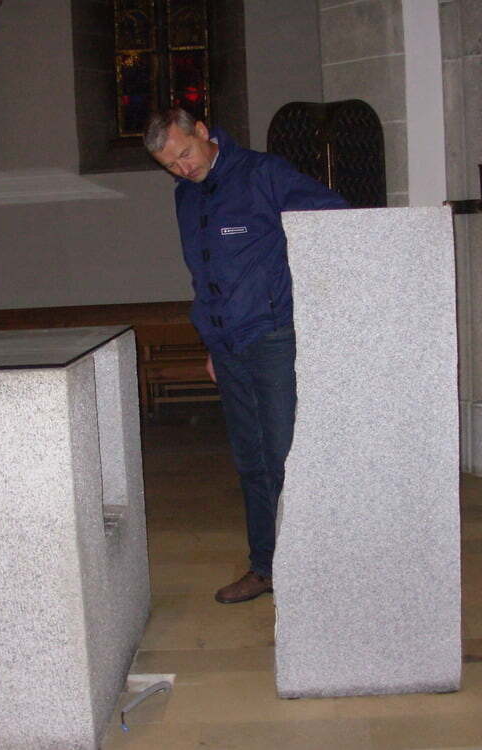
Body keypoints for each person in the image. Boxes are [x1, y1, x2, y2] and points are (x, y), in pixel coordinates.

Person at [144, 109, 348, 604]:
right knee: (251, 463)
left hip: (274, 337)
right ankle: (265, 567)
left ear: (202, 132)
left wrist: (313, 300)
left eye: (185, 154)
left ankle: (314, 568)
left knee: (284, 460)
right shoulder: (186, 196)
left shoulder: (262, 174)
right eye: (170, 165)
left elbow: (337, 217)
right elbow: (204, 277)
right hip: (227, 345)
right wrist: (211, 345)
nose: (183, 168)